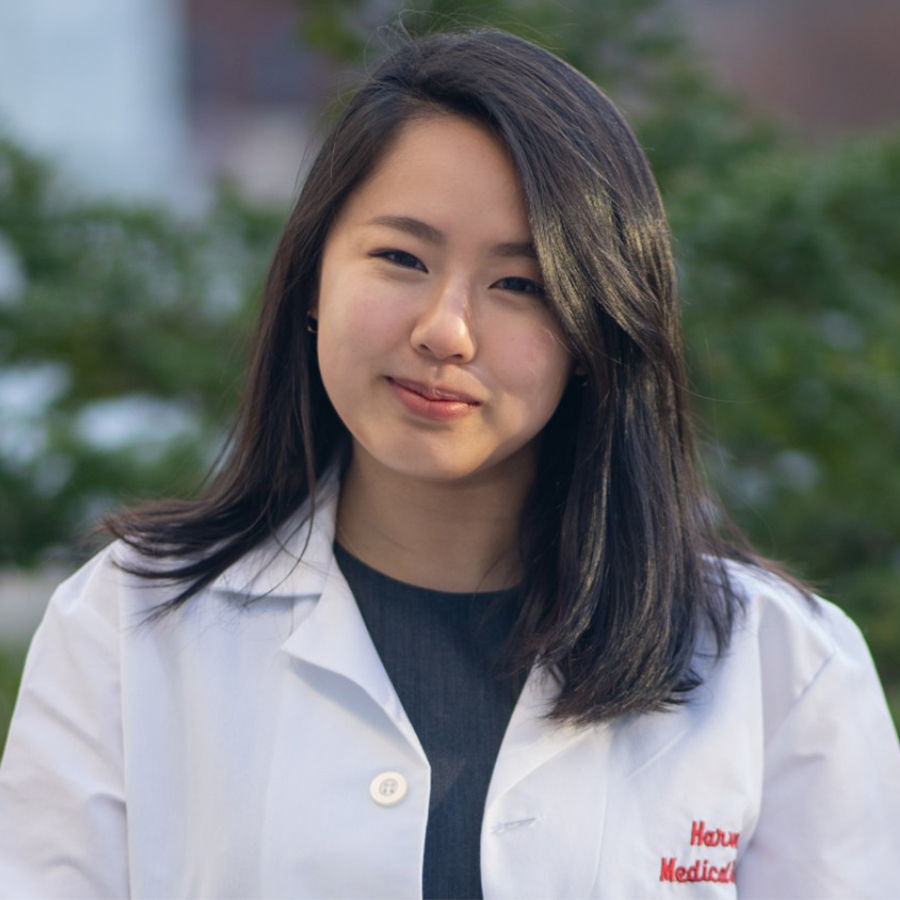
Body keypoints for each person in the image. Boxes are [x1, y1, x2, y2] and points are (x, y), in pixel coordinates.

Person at [1, 27, 898, 900]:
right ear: (313, 277)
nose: (446, 330)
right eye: (400, 257)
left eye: (520, 284)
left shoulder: (780, 668)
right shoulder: (127, 627)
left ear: (594, 334)